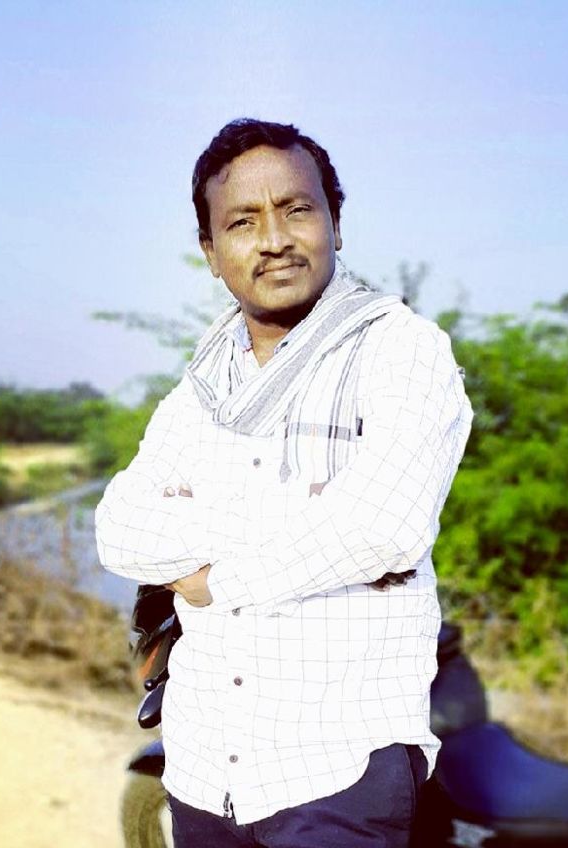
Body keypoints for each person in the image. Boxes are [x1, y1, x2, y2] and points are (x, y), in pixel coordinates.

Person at [95, 118, 473, 847]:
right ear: (211, 252)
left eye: (296, 210)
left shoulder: (401, 350)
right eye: (242, 222)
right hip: (205, 763)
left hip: (336, 770)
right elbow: (119, 526)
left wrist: (212, 579)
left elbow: (383, 529)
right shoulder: (206, 383)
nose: (274, 239)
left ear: (336, 223)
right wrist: (307, 523)